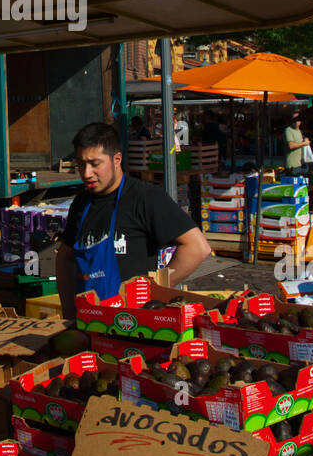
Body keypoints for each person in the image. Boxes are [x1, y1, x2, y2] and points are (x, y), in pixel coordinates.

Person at [56, 121, 211, 317]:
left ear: (117, 159)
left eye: (95, 164)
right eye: (81, 164)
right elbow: (65, 257)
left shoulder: (146, 197)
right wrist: (68, 312)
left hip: (133, 322)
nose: (87, 173)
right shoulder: (81, 203)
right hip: (88, 321)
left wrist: (155, 289)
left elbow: (197, 247)